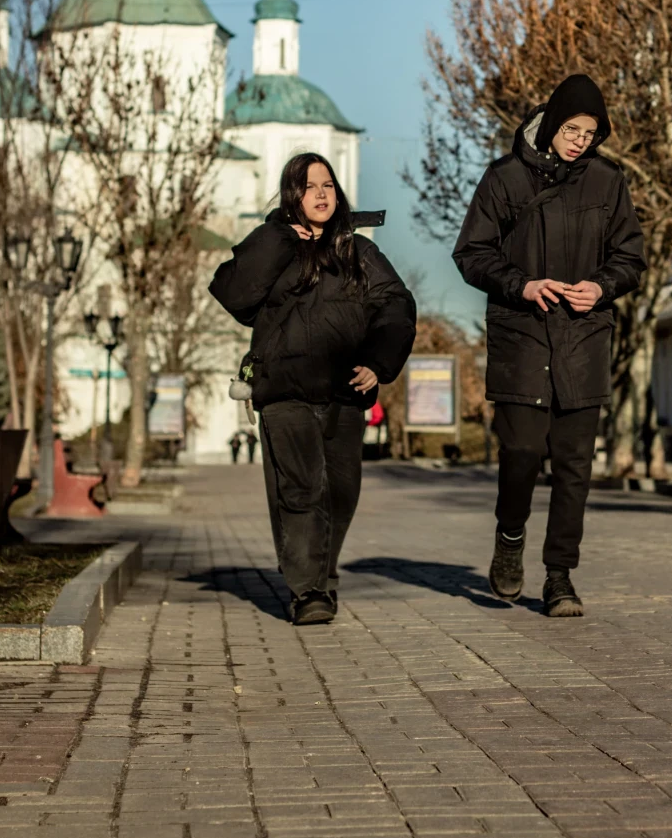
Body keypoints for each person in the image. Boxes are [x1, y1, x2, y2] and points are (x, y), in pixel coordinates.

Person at [453, 74, 645, 616]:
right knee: (520, 452)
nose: (581, 140)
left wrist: (603, 286)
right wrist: (523, 284)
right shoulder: (505, 178)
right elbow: (471, 254)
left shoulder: (608, 183)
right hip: (523, 336)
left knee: (574, 464)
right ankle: (509, 539)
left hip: (583, 339)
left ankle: (559, 576)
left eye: (590, 132)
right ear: (552, 122)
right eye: (572, 128)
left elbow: (631, 256)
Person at [210, 152, 416, 624]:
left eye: (328, 185)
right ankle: (307, 590)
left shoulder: (359, 251)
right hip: (284, 388)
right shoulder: (273, 245)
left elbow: (396, 304)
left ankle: (322, 573)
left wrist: (378, 362)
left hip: (344, 387)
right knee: (301, 489)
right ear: (291, 196)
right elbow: (234, 294)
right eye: (309, 187)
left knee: (341, 493)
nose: (321, 194)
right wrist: (278, 237)